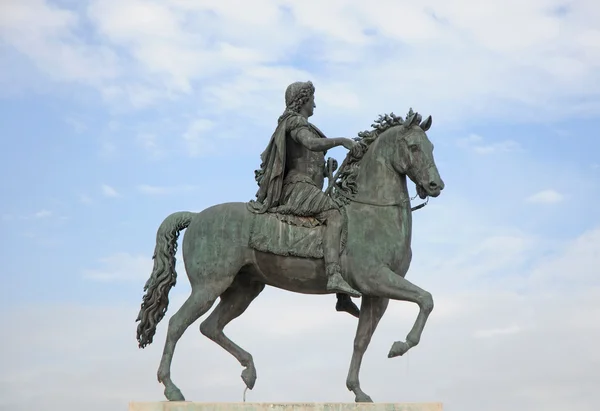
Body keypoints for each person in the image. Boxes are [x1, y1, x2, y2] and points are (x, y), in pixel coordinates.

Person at [248, 81, 361, 317]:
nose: (315, 105)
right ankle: (333, 275)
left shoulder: (301, 124)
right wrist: (341, 141)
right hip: (297, 187)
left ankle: (342, 296)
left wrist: (325, 170)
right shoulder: (295, 122)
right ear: (303, 100)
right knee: (334, 214)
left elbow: (308, 157)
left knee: (343, 216)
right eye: (312, 100)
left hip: (308, 185)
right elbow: (310, 144)